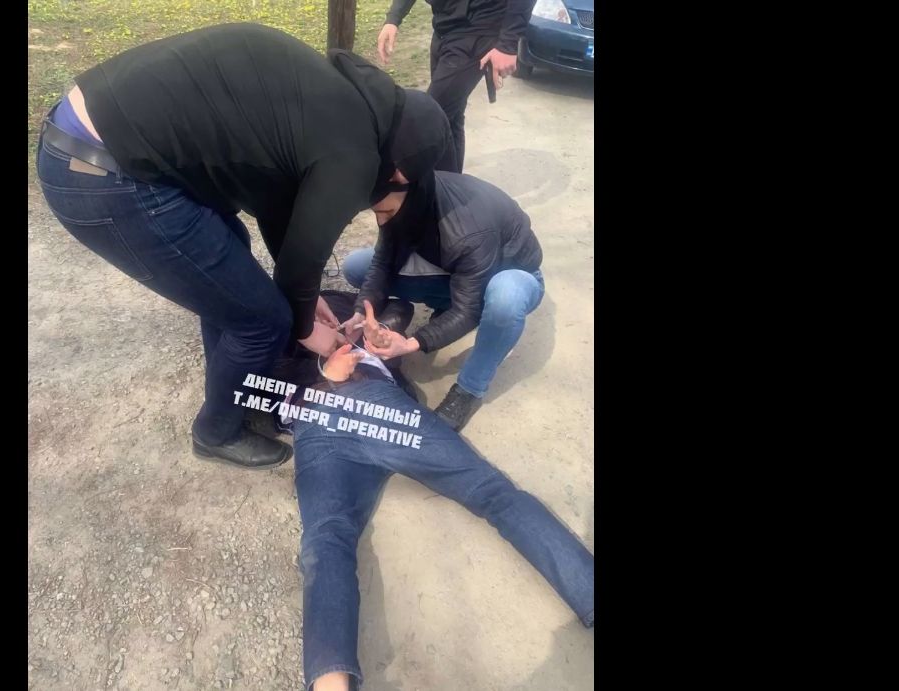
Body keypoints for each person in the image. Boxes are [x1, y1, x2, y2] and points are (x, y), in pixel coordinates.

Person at [36, 23, 453, 469]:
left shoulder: (339, 101)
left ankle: (236, 389)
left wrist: (307, 299)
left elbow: (282, 216)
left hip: (85, 135)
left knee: (232, 268)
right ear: (402, 168)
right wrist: (306, 329)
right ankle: (215, 432)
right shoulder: (356, 155)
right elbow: (303, 254)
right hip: (102, 175)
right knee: (262, 321)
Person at [265, 297, 593, 691]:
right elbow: (259, 366)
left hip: (361, 406)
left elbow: (398, 308)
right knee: (488, 493)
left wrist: (370, 332)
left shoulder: (345, 320)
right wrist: (323, 363)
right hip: (328, 411)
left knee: (327, 540)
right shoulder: (279, 321)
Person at [339, 167, 543, 431]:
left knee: (506, 299)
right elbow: (382, 262)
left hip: (510, 271)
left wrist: (411, 343)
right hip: (457, 270)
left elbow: (468, 310)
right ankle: (441, 305)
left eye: (387, 213)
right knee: (356, 266)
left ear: (412, 201)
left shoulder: (466, 231)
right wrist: (359, 312)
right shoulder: (404, 199)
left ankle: (469, 389)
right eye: (376, 213)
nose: (381, 221)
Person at [377, 0, 537, 171]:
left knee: (431, 115)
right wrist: (393, 18)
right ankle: (449, 182)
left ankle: (404, 179)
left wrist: (507, 45)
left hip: (479, 30)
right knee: (450, 119)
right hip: (444, 26)